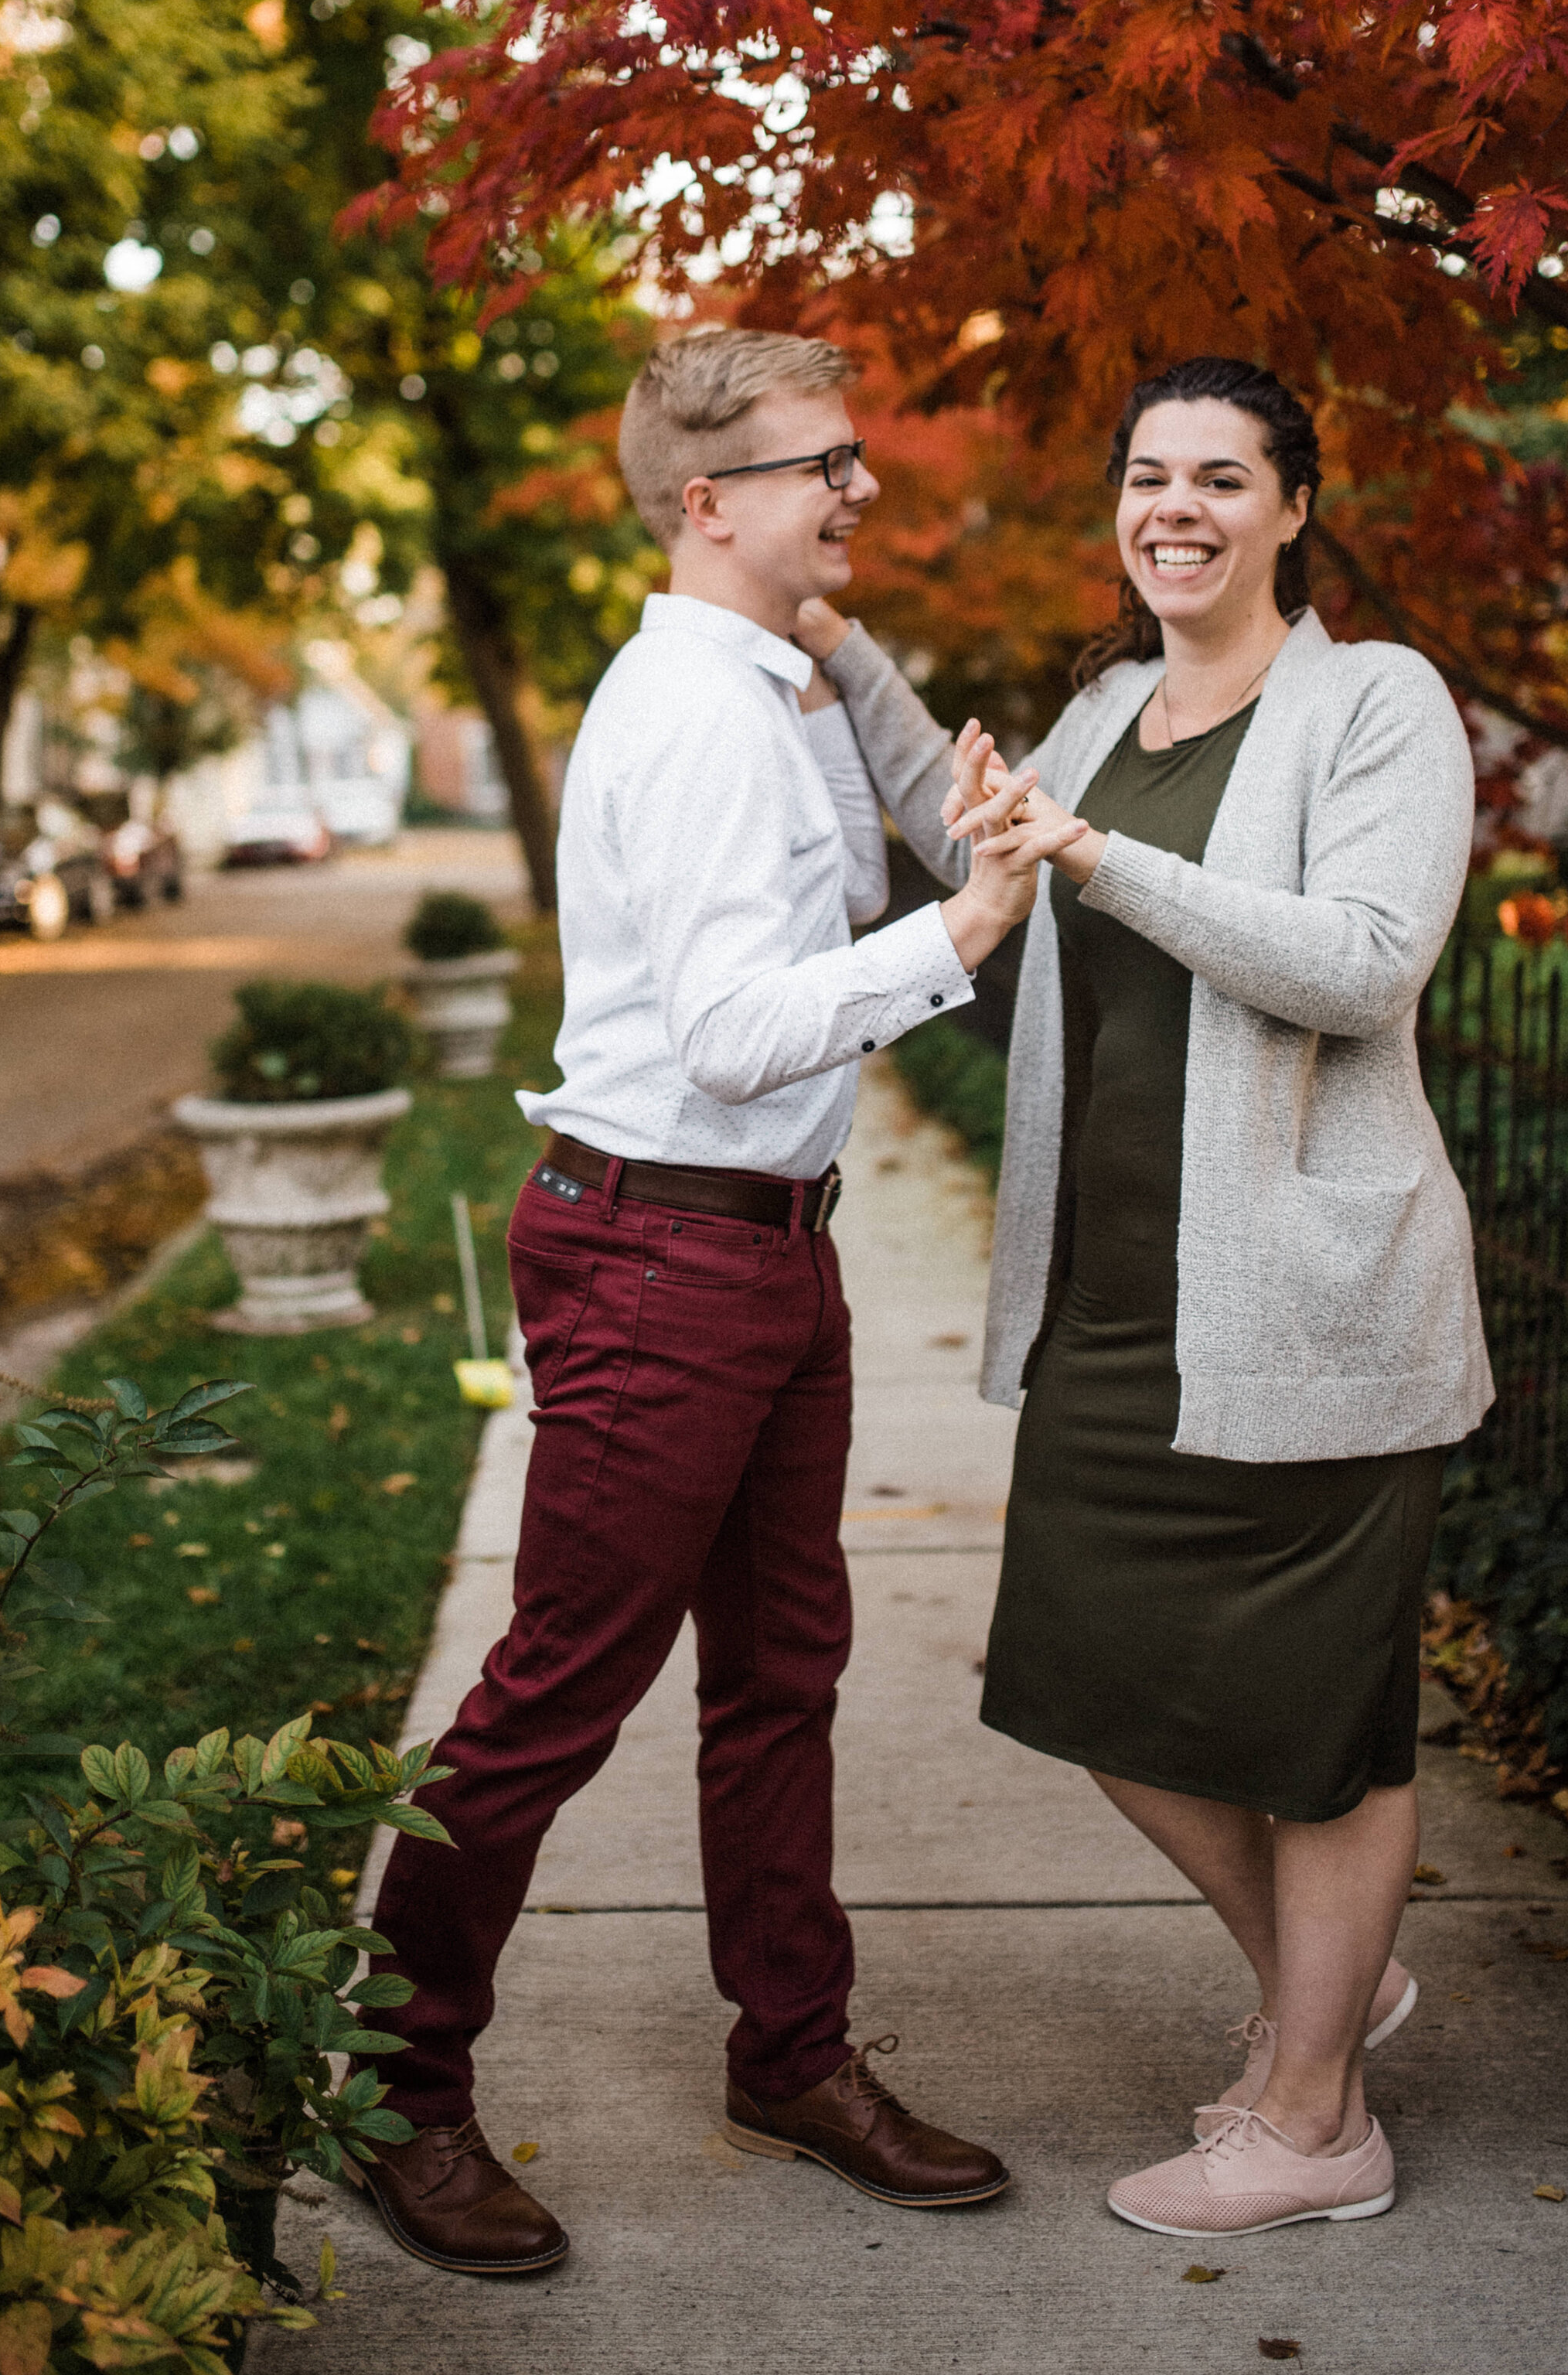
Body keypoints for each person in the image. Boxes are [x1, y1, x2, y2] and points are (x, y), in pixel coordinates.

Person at [355, 327, 1073, 2277]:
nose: (856, 487)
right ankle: (393, 2086)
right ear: (704, 500)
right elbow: (743, 1031)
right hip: (659, 1248)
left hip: (769, 1246)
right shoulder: (681, 714)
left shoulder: (777, 687)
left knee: (780, 1679)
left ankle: (793, 2056)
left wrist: (928, 803)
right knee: (554, 1694)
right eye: (818, 464)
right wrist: (963, 933)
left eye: (848, 454)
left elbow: (841, 895)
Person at [803, 354, 1489, 2240]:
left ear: (1289, 506)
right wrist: (851, 658)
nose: (1170, 505)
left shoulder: (1371, 702)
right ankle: (1333, 1991)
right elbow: (1001, 856)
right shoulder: (1108, 700)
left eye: (1216, 476)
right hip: (1116, 1302)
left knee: (1320, 1728)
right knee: (1084, 1682)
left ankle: (1310, 2114)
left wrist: (1100, 850)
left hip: (1307, 1306)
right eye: (1143, 475)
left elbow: (1358, 967)